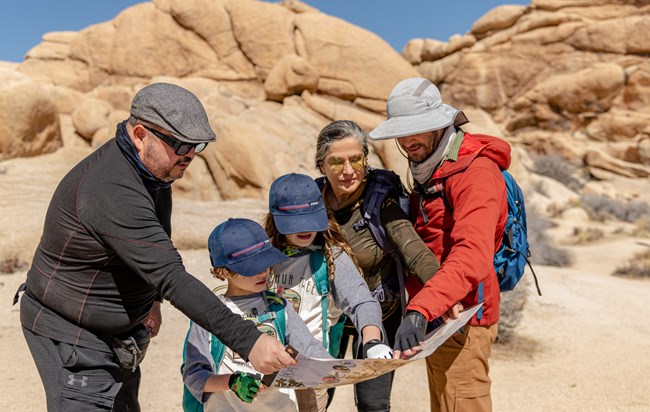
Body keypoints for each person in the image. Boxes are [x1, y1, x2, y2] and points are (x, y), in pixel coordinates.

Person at [15, 82, 295, 412]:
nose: (189, 155)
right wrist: (248, 340)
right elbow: (171, 276)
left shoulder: (154, 170)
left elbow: (158, 241)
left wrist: (152, 300)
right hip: (73, 334)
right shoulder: (111, 188)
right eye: (179, 143)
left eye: (196, 145)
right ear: (139, 134)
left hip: (120, 334)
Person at [369, 77, 510, 412]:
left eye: (415, 129)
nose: (406, 140)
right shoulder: (433, 166)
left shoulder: (475, 173)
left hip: (464, 317)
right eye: (400, 132)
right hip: (442, 313)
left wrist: (420, 310)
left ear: (439, 124)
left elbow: (472, 255)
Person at [314, 120, 443, 412]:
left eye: (356, 159)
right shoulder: (310, 202)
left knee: (373, 403)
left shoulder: (380, 201)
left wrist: (443, 294)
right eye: (336, 162)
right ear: (321, 165)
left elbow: (416, 253)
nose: (348, 171)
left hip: (381, 313)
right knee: (316, 396)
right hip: (328, 316)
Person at [263, 173, 391, 412]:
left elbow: (362, 301)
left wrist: (372, 340)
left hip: (310, 374)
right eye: (295, 221)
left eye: (311, 219)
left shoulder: (331, 257)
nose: (306, 228)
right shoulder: (261, 255)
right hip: (264, 371)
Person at [182, 218, 332, 411]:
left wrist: (335, 367)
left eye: (266, 263)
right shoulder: (208, 315)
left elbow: (309, 348)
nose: (263, 273)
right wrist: (233, 382)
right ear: (222, 271)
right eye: (252, 268)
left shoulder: (280, 307)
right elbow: (194, 377)